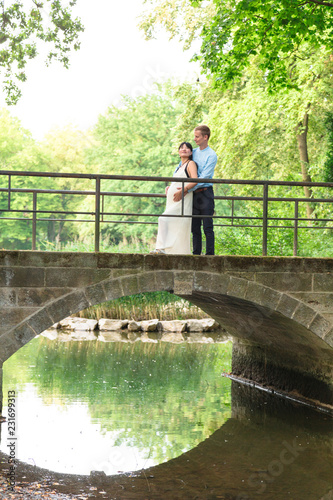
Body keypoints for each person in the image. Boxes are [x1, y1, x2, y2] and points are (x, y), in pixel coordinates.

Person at [174, 125, 217, 255]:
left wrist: (187, 188)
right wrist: (174, 185)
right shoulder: (194, 152)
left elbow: (204, 177)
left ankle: (210, 255)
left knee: (207, 226)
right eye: (194, 136)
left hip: (205, 193)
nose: (194, 139)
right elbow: (182, 166)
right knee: (195, 226)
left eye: (197, 137)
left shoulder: (212, 155)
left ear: (205, 137)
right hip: (192, 194)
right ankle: (196, 253)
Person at [151, 142, 198, 254]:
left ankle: (160, 248)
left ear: (191, 152)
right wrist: (170, 187)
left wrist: (183, 190)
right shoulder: (179, 166)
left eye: (187, 148)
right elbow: (178, 180)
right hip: (173, 200)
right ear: (178, 152)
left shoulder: (191, 164)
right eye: (181, 148)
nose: (184, 149)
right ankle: (172, 251)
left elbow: (195, 180)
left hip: (183, 198)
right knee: (173, 224)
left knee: (163, 219)